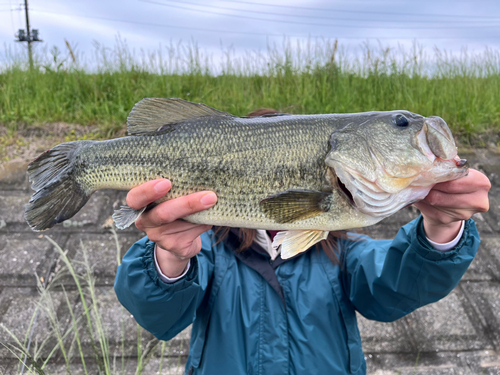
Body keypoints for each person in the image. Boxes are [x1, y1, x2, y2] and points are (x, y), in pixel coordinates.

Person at [114, 109, 490, 375]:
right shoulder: (207, 251)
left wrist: (442, 230)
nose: (412, 128)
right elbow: (156, 316)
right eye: (401, 124)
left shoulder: (344, 251)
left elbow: (394, 286)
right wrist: (169, 255)